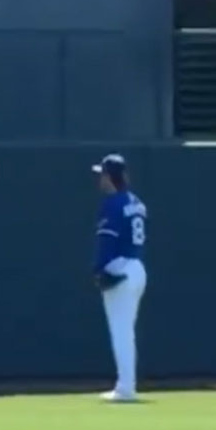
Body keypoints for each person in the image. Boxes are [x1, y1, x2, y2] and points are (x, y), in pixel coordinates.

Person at [91, 153, 147, 402]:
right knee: (126, 331)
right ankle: (126, 384)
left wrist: (99, 270)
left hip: (120, 268)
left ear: (109, 177)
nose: (99, 180)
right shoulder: (137, 202)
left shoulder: (112, 204)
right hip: (137, 267)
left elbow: (107, 241)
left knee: (121, 331)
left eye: (102, 174)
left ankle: (126, 388)